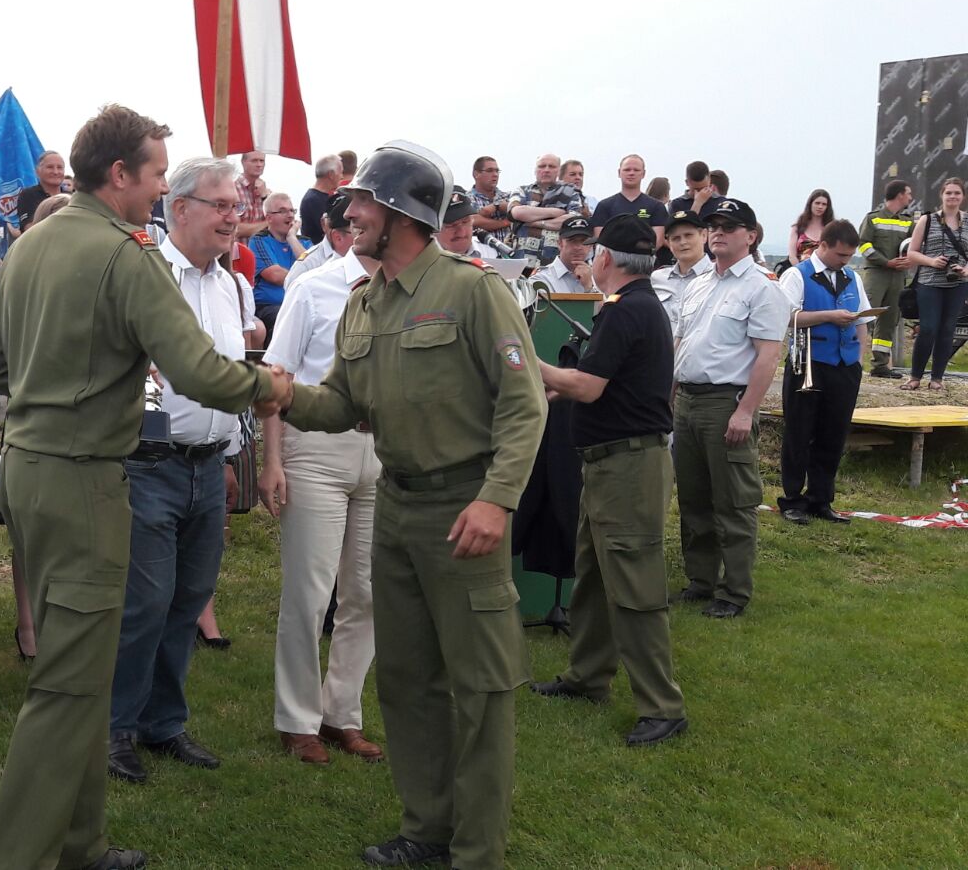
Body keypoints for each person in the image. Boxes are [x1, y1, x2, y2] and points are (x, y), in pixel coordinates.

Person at [0, 104, 287, 870]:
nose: (158, 190)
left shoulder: (32, 242)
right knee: (65, 690)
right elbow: (199, 371)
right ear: (119, 174)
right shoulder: (127, 253)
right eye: (154, 175)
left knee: (83, 680)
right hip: (84, 481)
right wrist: (282, 391)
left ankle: (80, 845)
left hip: (31, 472)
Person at [284, 141, 545, 870]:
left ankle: (477, 851)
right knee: (405, 679)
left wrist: (497, 500)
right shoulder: (363, 302)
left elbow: (524, 406)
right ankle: (427, 830)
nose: (350, 213)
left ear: (401, 213)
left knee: (481, 687)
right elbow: (341, 404)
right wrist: (274, 393)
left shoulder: (472, 291)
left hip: (465, 509)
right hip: (394, 508)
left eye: (363, 203)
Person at [105, 157, 251, 785]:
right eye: (222, 204)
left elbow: (230, 376)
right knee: (145, 602)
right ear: (181, 207)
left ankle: (162, 722)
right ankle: (115, 728)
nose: (233, 216)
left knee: (188, 599)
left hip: (208, 465)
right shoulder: (144, 273)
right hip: (148, 464)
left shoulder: (231, 285)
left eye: (236, 205)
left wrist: (229, 456)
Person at [530, 213, 688, 747]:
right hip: (612, 463)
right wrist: (554, 388)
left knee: (634, 586)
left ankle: (662, 706)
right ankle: (587, 676)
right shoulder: (637, 305)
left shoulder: (625, 310)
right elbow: (604, 385)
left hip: (627, 467)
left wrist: (525, 362)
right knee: (594, 576)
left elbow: (589, 386)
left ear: (606, 259)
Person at [261, 186, 382, 767]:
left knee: (367, 592)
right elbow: (276, 377)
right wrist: (272, 460)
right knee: (310, 593)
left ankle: (341, 714)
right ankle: (297, 719)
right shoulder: (313, 287)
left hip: (382, 451)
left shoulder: (409, 292)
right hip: (315, 447)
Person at [670, 198, 793, 619]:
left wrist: (745, 411)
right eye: (714, 226)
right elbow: (682, 343)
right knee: (693, 497)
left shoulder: (763, 288)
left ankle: (734, 590)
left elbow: (767, 356)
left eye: (729, 226)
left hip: (726, 401)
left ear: (751, 236)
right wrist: (669, 394)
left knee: (733, 501)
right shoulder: (699, 283)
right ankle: (700, 580)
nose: (718, 233)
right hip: (688, 400)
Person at [777, 220, 870, 524]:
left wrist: (859, 358)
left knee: (833, 434)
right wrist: (829, 316)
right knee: (799, 433)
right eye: (841, 255)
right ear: (824, 245)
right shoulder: (797, 275)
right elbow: (785, 317)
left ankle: (821, 499)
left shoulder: (852, 277)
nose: (846, 261)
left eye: (850, 256)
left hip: (844, 366)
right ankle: (792, 499)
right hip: (809, 362)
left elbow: (862, 320)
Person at [902, 177, 968, 391]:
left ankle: (937, 378)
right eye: (949, 193)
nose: (952, 196)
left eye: (957, 193)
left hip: (958, 283)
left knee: (947, 330)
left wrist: (965, 269)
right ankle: (915, 377)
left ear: (963, 196)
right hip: (930, 282)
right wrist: (932, 261)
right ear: (942, 195)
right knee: (928, 328)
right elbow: (911, 252)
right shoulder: (927, 220)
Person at [857, 179, 915, 378]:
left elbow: (915, 246)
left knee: (889, 320)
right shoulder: (873, 218)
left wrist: (908, 261)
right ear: (900, 195)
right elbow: (864, 245)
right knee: (865, 315)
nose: (910, 198)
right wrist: (886, 262)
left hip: (898, 276)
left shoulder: (908, 221)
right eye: (908, 193)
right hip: (876, 274)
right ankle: (852, 361)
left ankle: (880, 365)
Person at [248, 192, 311, 342]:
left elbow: (314, 271)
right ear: (269, 218)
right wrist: (306, 277)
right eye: (282, 211)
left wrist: (292, 239)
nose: (290, 216)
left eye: (291, 211)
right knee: (284, 318)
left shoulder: (305, 242)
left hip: (302, 303)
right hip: (269, 306)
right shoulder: (259, 240)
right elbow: (275, 275)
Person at [507, 152, 584, 269]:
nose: (546, 170)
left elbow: (573, 221)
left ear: (558, 171)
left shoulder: (571, 192)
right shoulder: (522, 191)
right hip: (521, 262)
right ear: (535, 170)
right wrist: (555, 212)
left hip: (555, 264)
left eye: (551, 166)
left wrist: (535, 222)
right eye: (542, 166)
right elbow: (517, 212)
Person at [652, 209, 713, 327]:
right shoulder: (657, 279)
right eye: (676, 238)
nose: (683, 242)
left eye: (688, 235)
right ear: (669, 243)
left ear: (704, 235)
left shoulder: (719, 277)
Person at [590, 154, 669, 246]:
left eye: (636, 170)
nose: (631, 173)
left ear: (643, 174)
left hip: (646, 255)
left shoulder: (656, 206)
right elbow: (600, 239)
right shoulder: (604, 206)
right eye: (627, 170)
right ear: (619, 172)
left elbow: (658, 240)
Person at [288, 192, 354, 285]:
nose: (336, 225)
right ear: (323, 222)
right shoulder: (307, 264)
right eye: (333, 220)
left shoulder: (367, 257)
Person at [534, 216, 595, 294]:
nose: (578, 247)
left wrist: (589, 287)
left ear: (591, 245)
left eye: (584, 241)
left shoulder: (597, 278)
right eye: (572, 241)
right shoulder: (542, 279)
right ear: (560, 243)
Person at [13, 150, 67, 235]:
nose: (55, 172)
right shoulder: (28, 195)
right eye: (50, 167)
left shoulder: (71, 197)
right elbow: (29, 230)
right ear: (37, 171)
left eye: (60, 167)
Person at [299, 153, 342, 243]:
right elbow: (330, 229)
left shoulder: (319, 197)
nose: (341, 176)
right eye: (340, 172)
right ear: (331, 174)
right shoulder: (313, 201)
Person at [468, 156, 511, 241]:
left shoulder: (508, 196)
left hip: (509, 249)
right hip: (481, 249)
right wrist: (505, 222)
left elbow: (520, 212)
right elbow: (471, 221)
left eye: (497, 171)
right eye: (489, 170)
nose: (495, 174)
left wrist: (496, 206)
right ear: (476, 174)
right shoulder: (467, 199)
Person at [789, 188, 834, 259]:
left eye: (824, 204)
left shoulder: (832, 229)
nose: (820, 207)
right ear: (810, 204)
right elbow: (792, 256)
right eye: (817, 203)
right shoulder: (797, 228)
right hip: (800, 265)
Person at [234, 150, 269, 239]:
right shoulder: (233, 189)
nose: (259, 164)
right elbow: (234, 229)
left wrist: (265, 197)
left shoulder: (266, 192)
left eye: (262, 161)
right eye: (254, 161)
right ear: (243, 162)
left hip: (258, 247)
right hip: (238, 246)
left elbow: (278, 225)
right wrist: (268, 223)